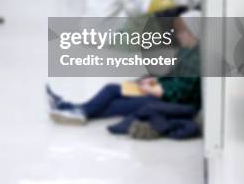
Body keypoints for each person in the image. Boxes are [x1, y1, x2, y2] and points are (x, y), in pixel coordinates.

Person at [47, 17, 201, 124]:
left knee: (115, 104)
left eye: (183, 31)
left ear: (194, 32)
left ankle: (70, 109)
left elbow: (182, 92)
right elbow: (172, 78)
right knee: (111, 90)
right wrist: (153, 82)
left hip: (162, 99)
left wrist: (154, 88)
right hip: (156, 91)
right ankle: (71, 109)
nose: (179, 35)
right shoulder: (186, 51)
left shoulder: (196, 61)